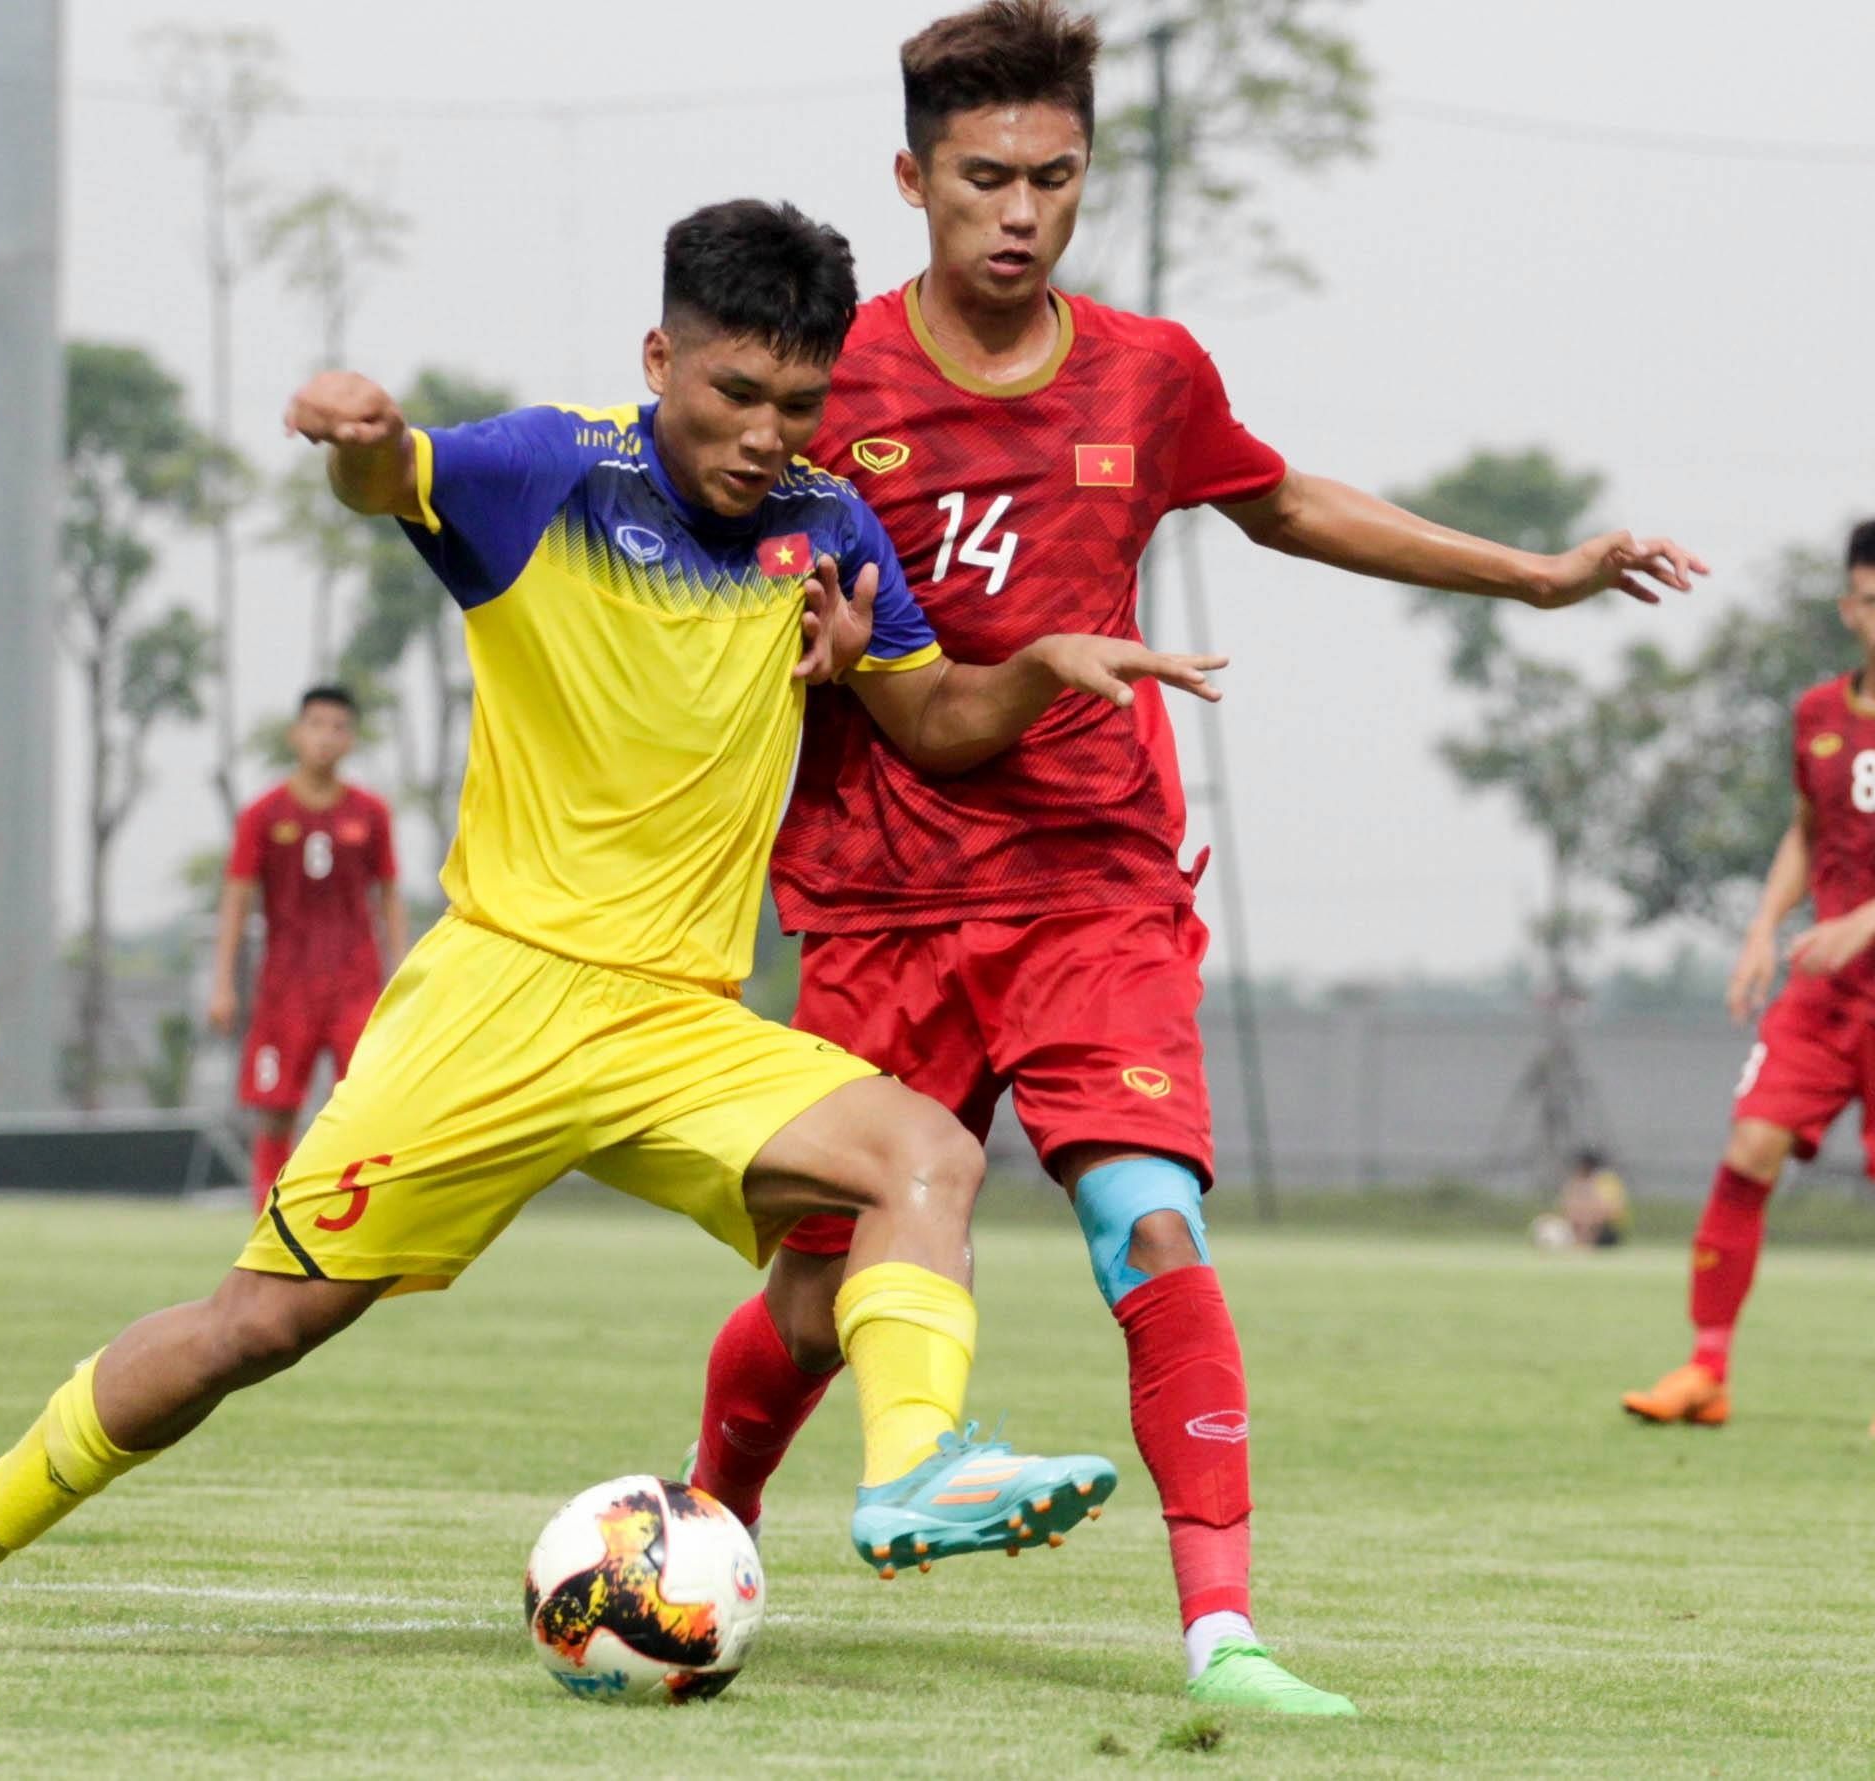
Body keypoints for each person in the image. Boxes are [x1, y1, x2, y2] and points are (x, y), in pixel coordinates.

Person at [0, 198, 1233, 1654]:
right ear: (660, 359)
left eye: (798, 403)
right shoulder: (552, 471)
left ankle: (910, 1472)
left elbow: (930, 716)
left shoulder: (826, 521)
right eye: (735, 393)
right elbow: (391, 477)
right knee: (256, 1327)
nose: (766, 434)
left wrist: (1036, 665)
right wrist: (361, 433)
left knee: (924, 1155)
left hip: (677, 1020)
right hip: (497, 1002)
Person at [677, 0, 1705, 1716]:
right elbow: (699, 542)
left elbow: (1281, 499)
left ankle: (1221, 1631)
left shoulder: (1147, 371)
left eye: (1053, 178)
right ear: (912, 181)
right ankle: (701, 1532)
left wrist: (1532, 576)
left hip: (1095, 885)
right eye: (983, 178)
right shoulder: (822, 378)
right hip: (880, 896)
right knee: (813, 1293)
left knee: (1148, 1225)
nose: (1020, 212)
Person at [1620, 517, 1875, 1439]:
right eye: (1874, 602)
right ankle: (1706, 1368)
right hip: (1823, 986)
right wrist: (1765, 927)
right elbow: (1807, 830)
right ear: (1849, 610)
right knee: (1749, 1146)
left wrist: (1861, 924)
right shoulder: (1816, 715)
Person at [209, 685, 406, 1211]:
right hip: (285, 988)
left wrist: (401, 973)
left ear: (351, 739)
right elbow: (236, 898)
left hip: (355, 985)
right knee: (276, 1109)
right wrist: (223, 984)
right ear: (296, 734)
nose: (326, 737)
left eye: (338, 727)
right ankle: (268, 1222)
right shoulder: (262, 814)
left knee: (363, 1105)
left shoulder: (371, 813)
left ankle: (354, 1218)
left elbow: (389, 895)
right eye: (316, 725)